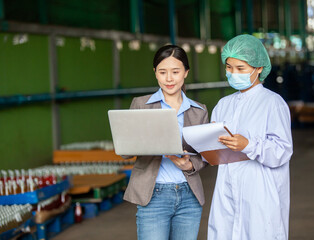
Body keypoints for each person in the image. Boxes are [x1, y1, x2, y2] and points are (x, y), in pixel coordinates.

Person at [207, 34, 293, 239]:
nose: (233, 73)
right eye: (229, 67)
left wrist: (248, 144)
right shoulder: (223, 105)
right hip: (227, 189)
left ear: (259, 68)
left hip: (261, 192)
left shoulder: (273, 103)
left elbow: (282, 151)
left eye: (240, 69)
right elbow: (214, 152)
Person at [123, 45, 209, 240]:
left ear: (186, 73)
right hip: (153, 195)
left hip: (189, 197)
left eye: (175, 72)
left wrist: (189, 165)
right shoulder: (140, 105)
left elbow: (205, 156)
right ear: (155, 73)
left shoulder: (199, 111)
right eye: (162, 72)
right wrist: (147, 143)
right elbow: (125, 151)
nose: (169, 78)